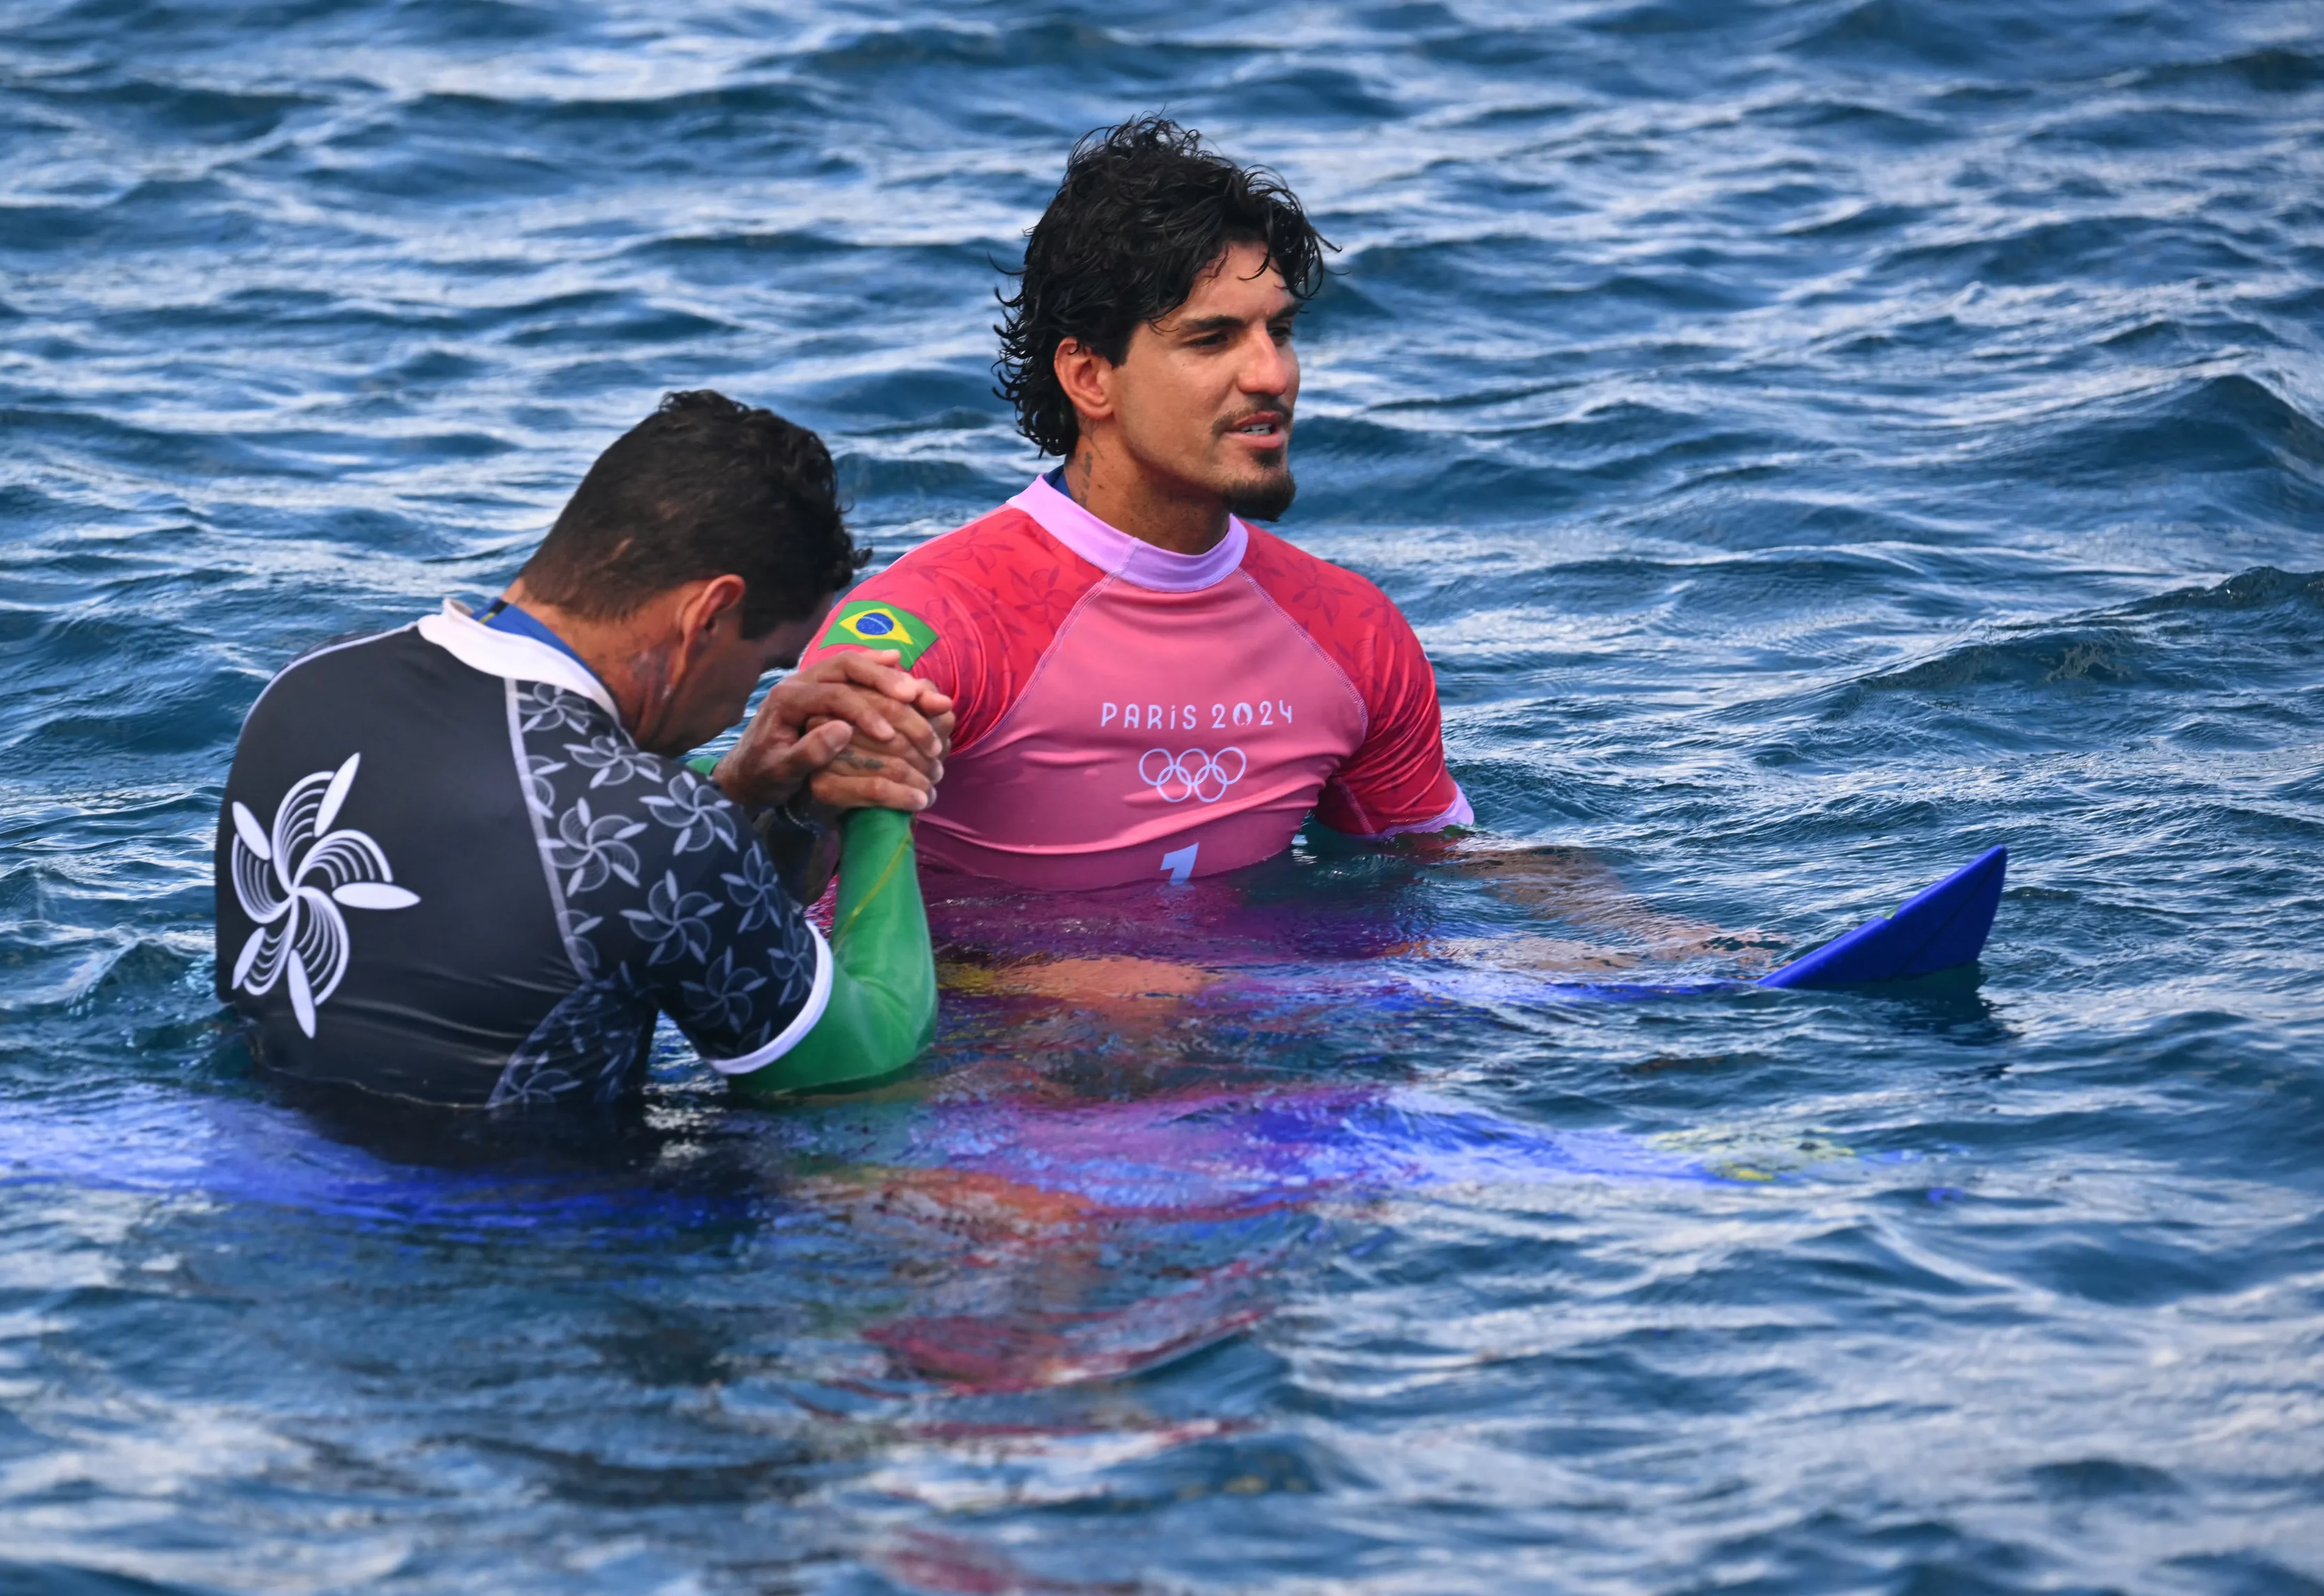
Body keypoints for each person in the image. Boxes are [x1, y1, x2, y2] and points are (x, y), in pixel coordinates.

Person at [216, 390, 952, 1109]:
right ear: (709, 614)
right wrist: (886, 785)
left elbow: (518, 863)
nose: (741, 710)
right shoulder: (662, 826)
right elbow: (855, 1064)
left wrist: (741, 793)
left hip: (259, 1168)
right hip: (524, 1217)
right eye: (763, 668)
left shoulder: (304, 688)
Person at [800, 116, 1471, 894]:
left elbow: (1441, 874)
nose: (1272, 374)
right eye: (1212, 339)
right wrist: (1032, 984)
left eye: (1279, 331)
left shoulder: (1356, 634)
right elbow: (794, 921)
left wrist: (1631, 939)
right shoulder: (936, 630)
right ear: (1089, 377)